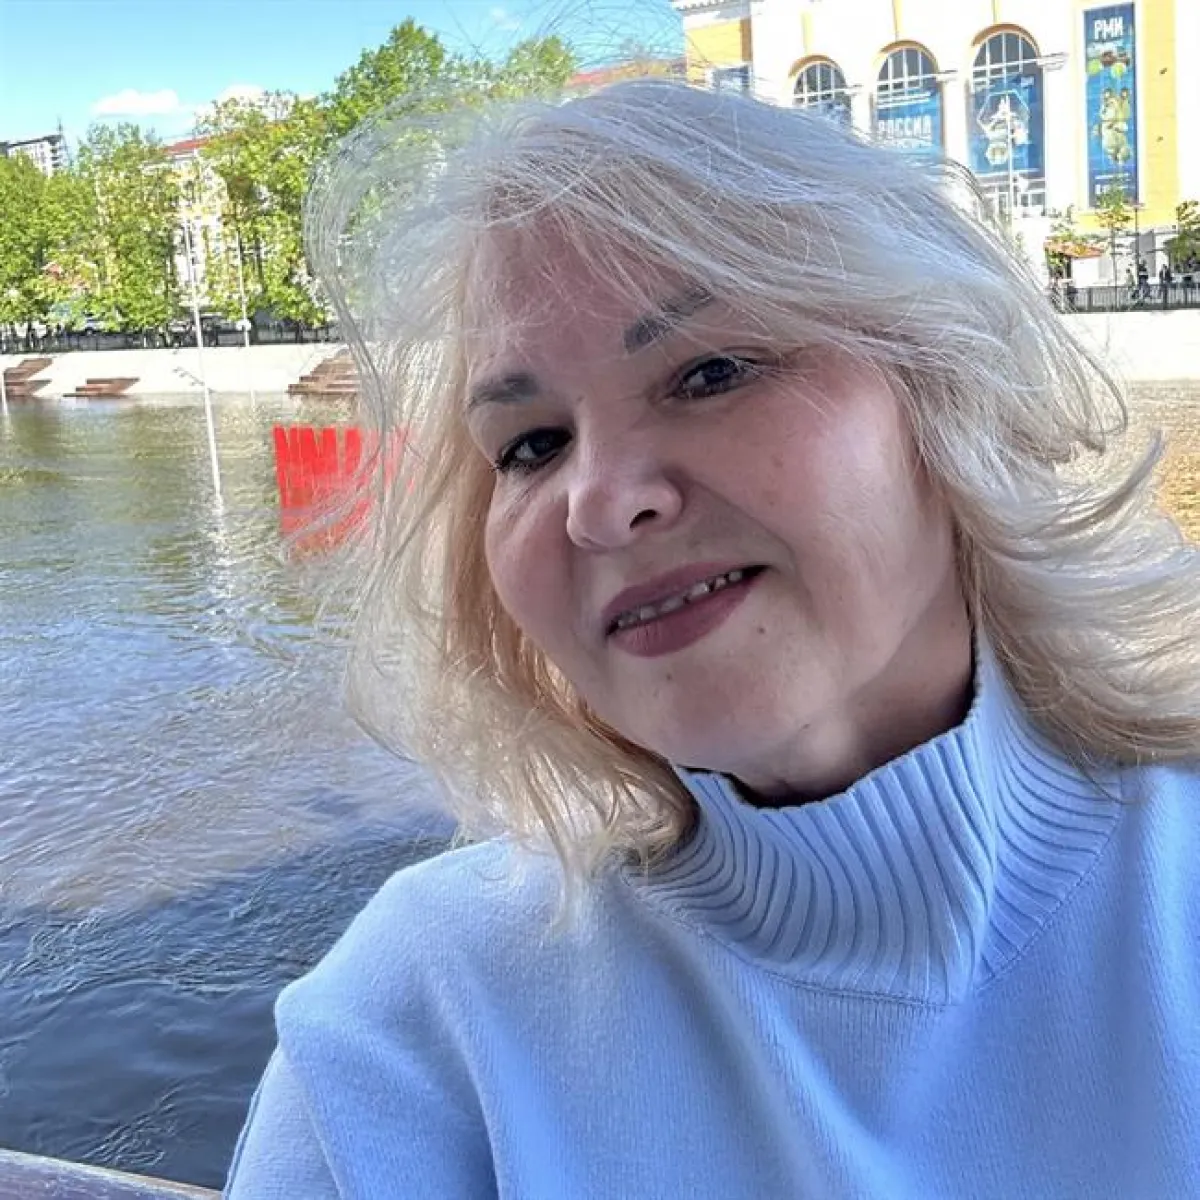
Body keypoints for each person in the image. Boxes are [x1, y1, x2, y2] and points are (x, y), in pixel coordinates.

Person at [225, 80, 1200, 1198]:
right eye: (533, 445)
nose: (601, 503)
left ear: (946, 394)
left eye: (711, 372)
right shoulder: (415, 1026)